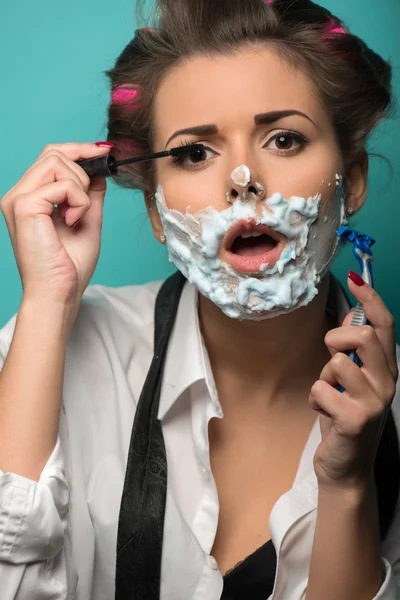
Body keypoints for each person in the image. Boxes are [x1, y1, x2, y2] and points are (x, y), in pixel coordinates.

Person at [0, 0, 399, 598]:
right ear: (158, 213)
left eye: (284, 139)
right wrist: (47, 306)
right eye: (193, 153)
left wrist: (347, 488)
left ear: (355, 180)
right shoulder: (63, 350)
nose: (243, 178)